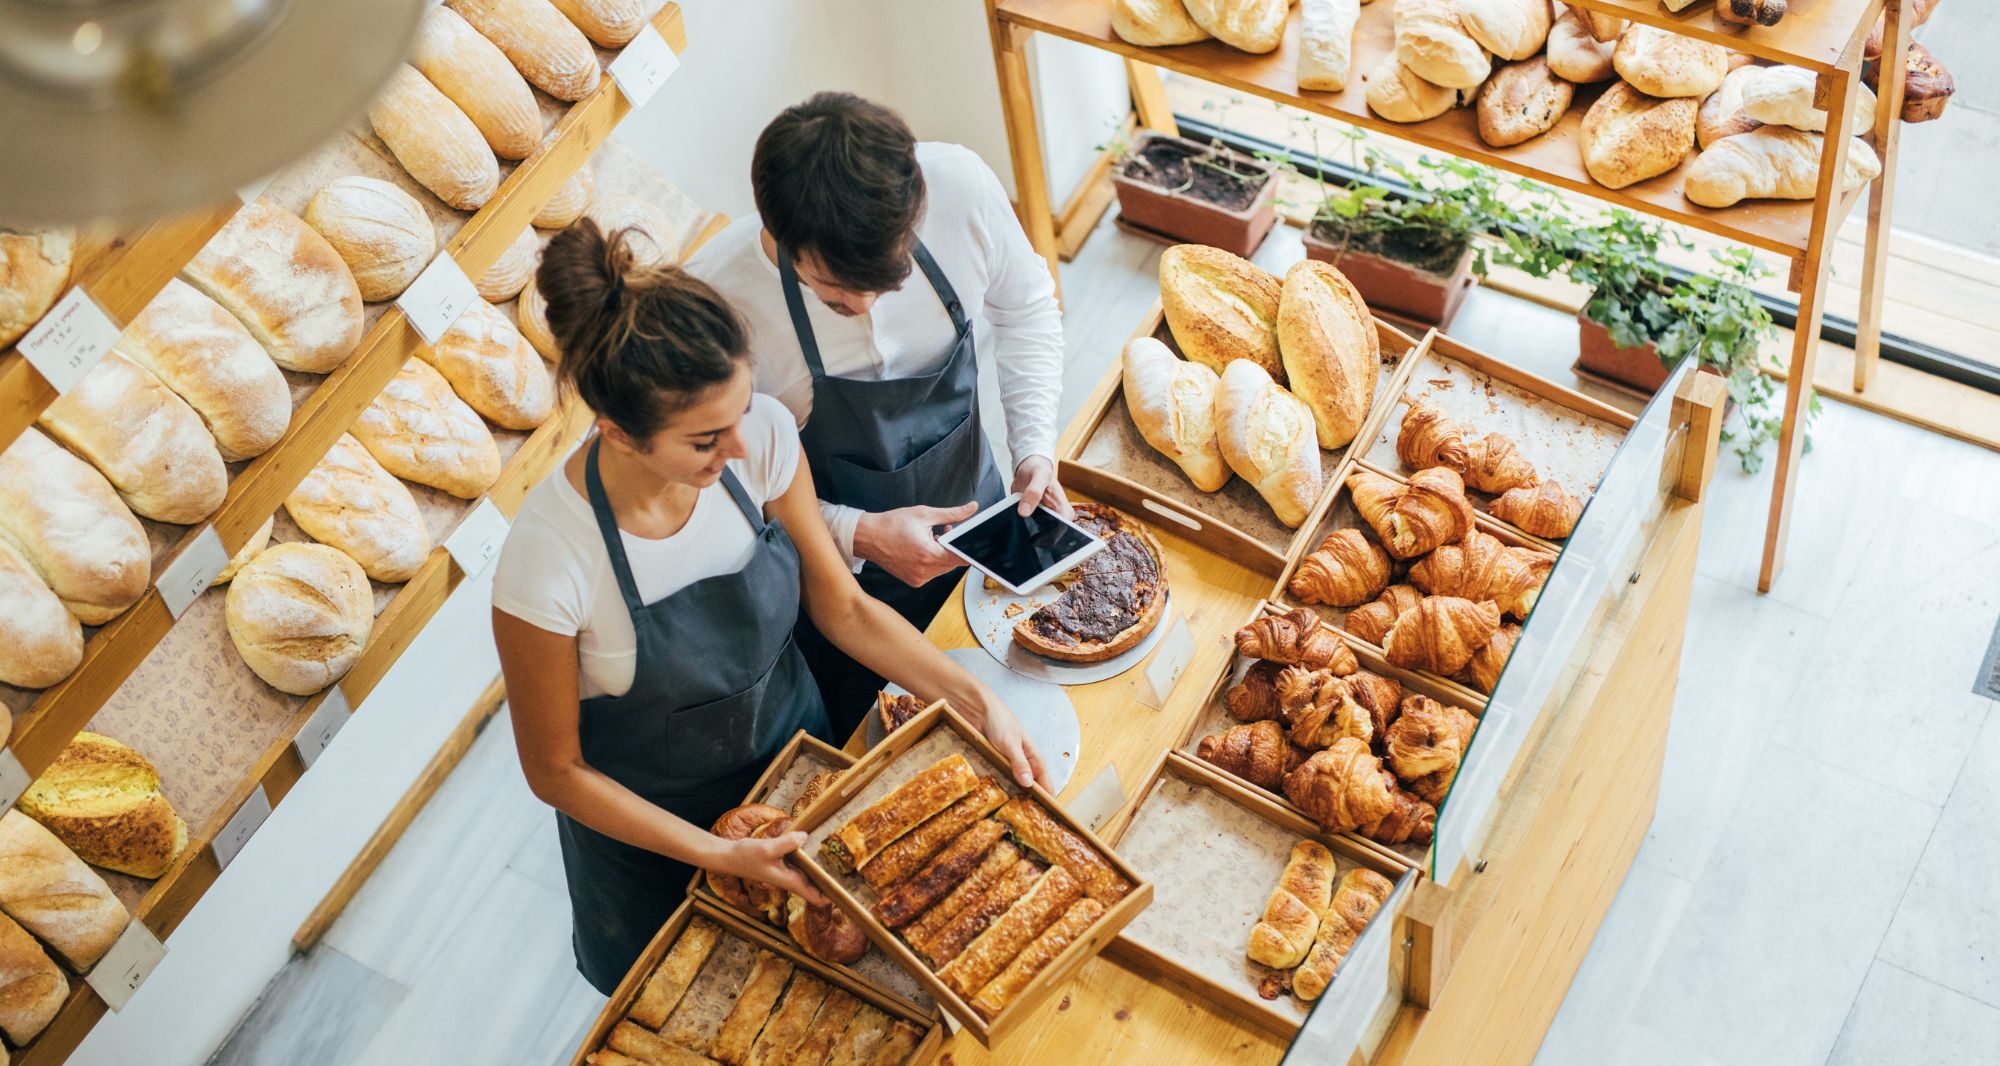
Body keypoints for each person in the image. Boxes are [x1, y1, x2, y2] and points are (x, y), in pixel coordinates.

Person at [491, 219, 1045, 994]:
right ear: (616, 432)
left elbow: (843, 610)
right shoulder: (548, 563)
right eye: (705, 440)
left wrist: (975, 700)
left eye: (742, 412)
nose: (741, 450)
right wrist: (717, 855)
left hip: (800, 781)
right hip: (657, 851)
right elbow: (556, 770)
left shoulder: (765, 439)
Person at [686, 92, 1066, 735]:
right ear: (778, 235)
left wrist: (1033, 444)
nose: (863, 306)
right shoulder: (716, 307)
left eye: (884, 282)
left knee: (1024, 704)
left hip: (984, 530)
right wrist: (857, 533)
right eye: (836, 290)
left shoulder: (960, 189)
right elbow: (724, 496)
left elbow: (1025, 308)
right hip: (840, 592)